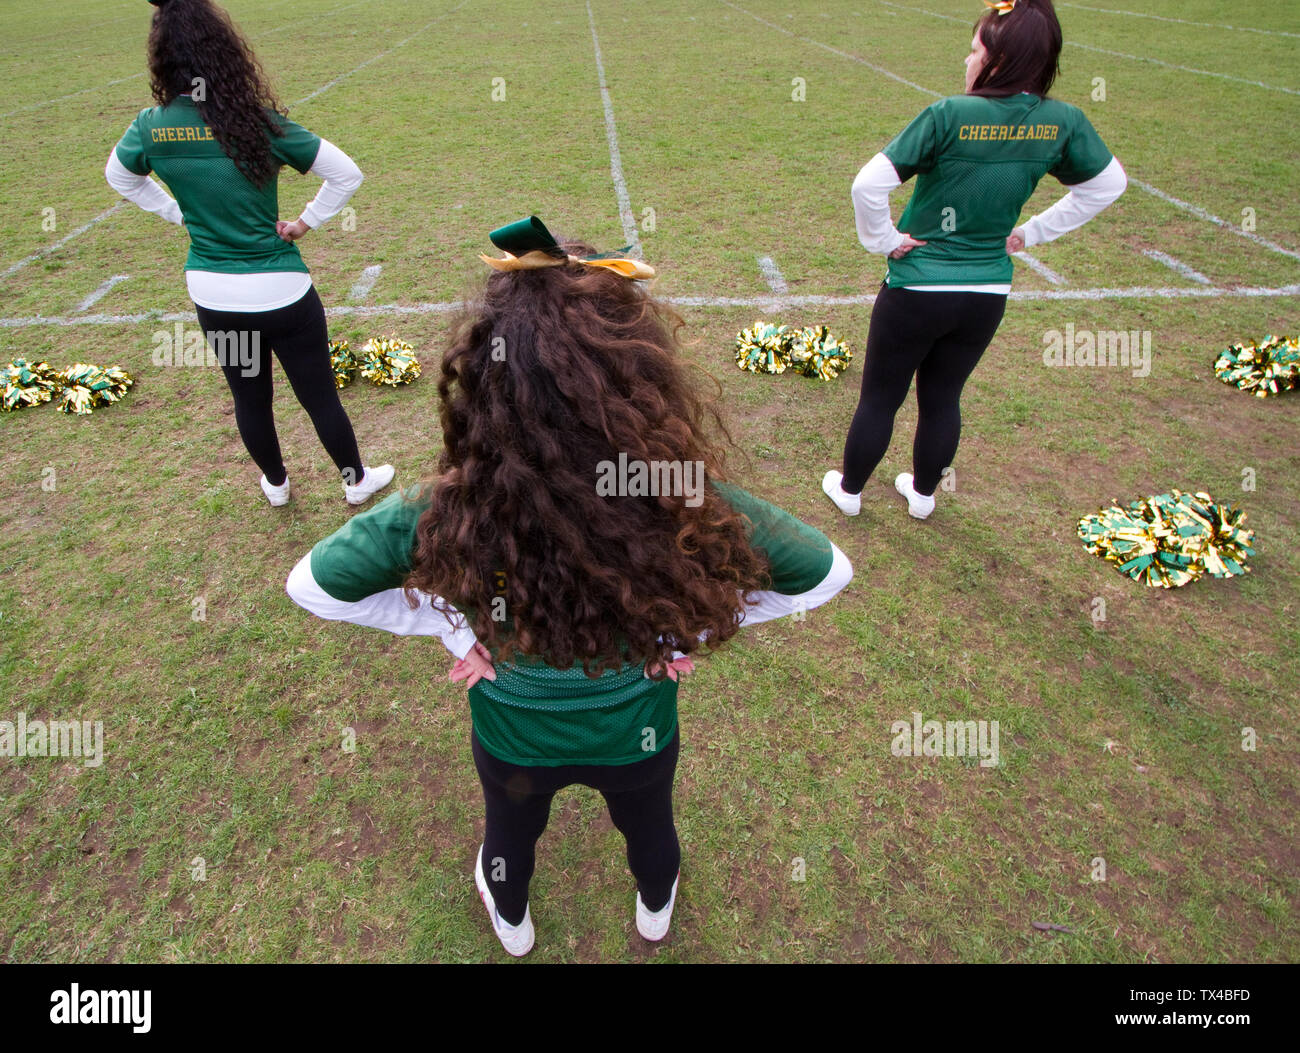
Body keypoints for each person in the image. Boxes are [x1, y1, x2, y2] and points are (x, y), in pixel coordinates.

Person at [287, 218, 853, 956]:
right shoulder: (678, 490)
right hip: (636, 735)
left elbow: (313, 584)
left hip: (513, 738)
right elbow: (826, 570)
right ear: (639, 377)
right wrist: (695, 628)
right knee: (650, 828)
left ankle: (513, 923)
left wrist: (448, 627)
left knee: (509, 836)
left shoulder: (446, 504)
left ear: (486, 382)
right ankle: (655, 906)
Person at [823, 0, 1126, 522]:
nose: (967, 62)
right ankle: (922, 496)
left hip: (917, 287)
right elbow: (1108, 185)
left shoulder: (949, 114)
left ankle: (850, 491)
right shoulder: (1062, 121)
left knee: (881, 396)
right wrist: (1030, 235)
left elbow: (868, 183)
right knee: (943, 397)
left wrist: (883, 240)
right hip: (986, 293)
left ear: (999, 59)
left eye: (974, 51)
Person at [105, 0, 393, 508]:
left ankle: (277, 485)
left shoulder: (151, 125)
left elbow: (119, 177)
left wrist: (178, 214)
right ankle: (354, 482)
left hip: (214, 291)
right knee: (318, 394)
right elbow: (347, 172)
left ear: (161, 60)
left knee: (249, 396)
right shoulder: (258, 121)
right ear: (226, 53)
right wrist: (304, 223)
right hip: (283, 289)